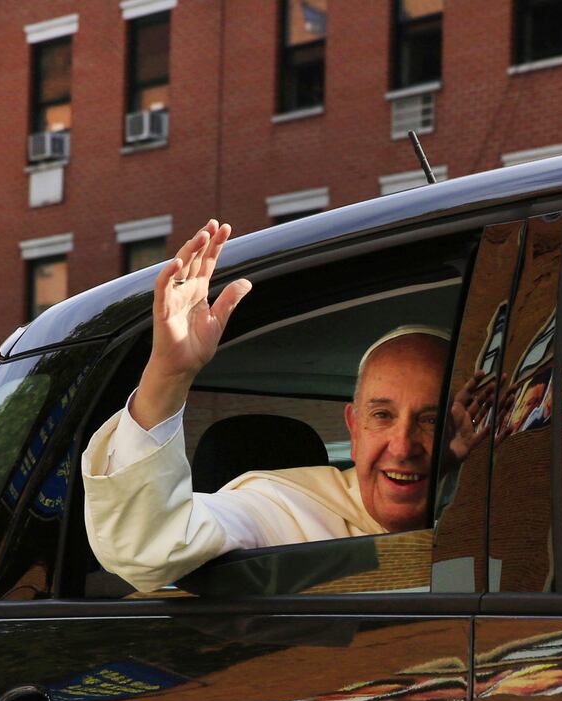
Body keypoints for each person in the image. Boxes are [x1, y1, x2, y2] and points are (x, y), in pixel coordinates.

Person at [83, 221, 492, 592]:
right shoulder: (281, 508)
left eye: (431, 420)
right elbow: (151, 545)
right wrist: (167, 378)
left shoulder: (496, 509)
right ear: (353, 427)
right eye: (382, 416)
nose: (403, 446)